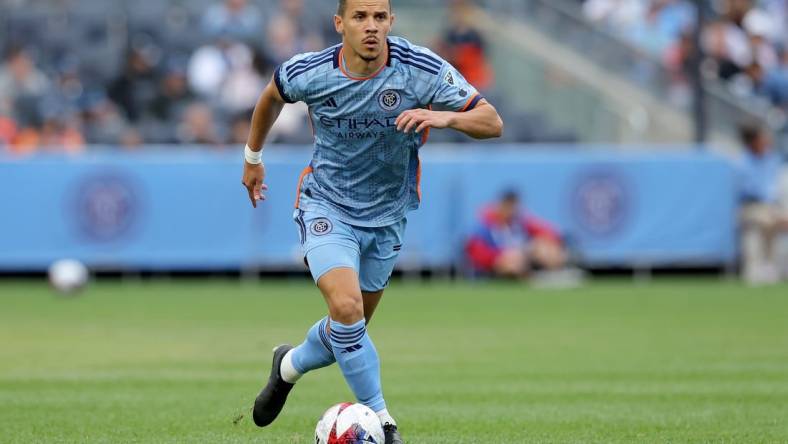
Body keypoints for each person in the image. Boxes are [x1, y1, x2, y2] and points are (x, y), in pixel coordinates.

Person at [240, 1, 503, 442]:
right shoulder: (311, 71)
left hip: (387, 218)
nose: (371, 27)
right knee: (346, 310)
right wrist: (253, 158)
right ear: (339, 24)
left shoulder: (419, 68)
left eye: (380, 17)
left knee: (347, 331)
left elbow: (491, 121)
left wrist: (446, 116)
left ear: (391, 23)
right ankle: (385, 423)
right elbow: (270, 96)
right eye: (360, 17)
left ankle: (287, 366)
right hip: (326, 206)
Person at [465, 190, 567, 278]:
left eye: (514, 207)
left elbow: (547, 231)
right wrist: (500, 256)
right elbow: (476, 251)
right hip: (497, 263)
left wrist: (549, 244)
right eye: (509, 206)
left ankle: (554, 275)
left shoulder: (519, 222)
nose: (511, 211)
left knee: (545, 246)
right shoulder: (485, 225)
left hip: (523, 257)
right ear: (501, 205)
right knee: (513, 262)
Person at [737, 122, 788, 284]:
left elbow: (776, 188)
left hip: (773, 207)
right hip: (752, 208)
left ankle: (773, 273)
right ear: (753, 141)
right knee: (754, 244)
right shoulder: (743, 163)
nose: (766, 140)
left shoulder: (772, 158)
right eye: (762, 137)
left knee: (774, 248)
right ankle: (753, 277)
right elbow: (749, 194)